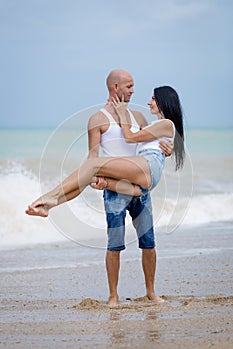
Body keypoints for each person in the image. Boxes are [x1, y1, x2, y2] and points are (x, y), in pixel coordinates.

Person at [26, 70, 177, 307]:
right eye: (129, 86)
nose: (133, 90)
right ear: (115, 87)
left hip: (139, 185)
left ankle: (151, 292)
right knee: (114, 245)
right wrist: (95, 179)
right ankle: (113, 296)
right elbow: (92, 156)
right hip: (115, 190)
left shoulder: (137, 116)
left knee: (148, 243)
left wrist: (167, 149)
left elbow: (150, 146)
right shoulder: (97, 119)